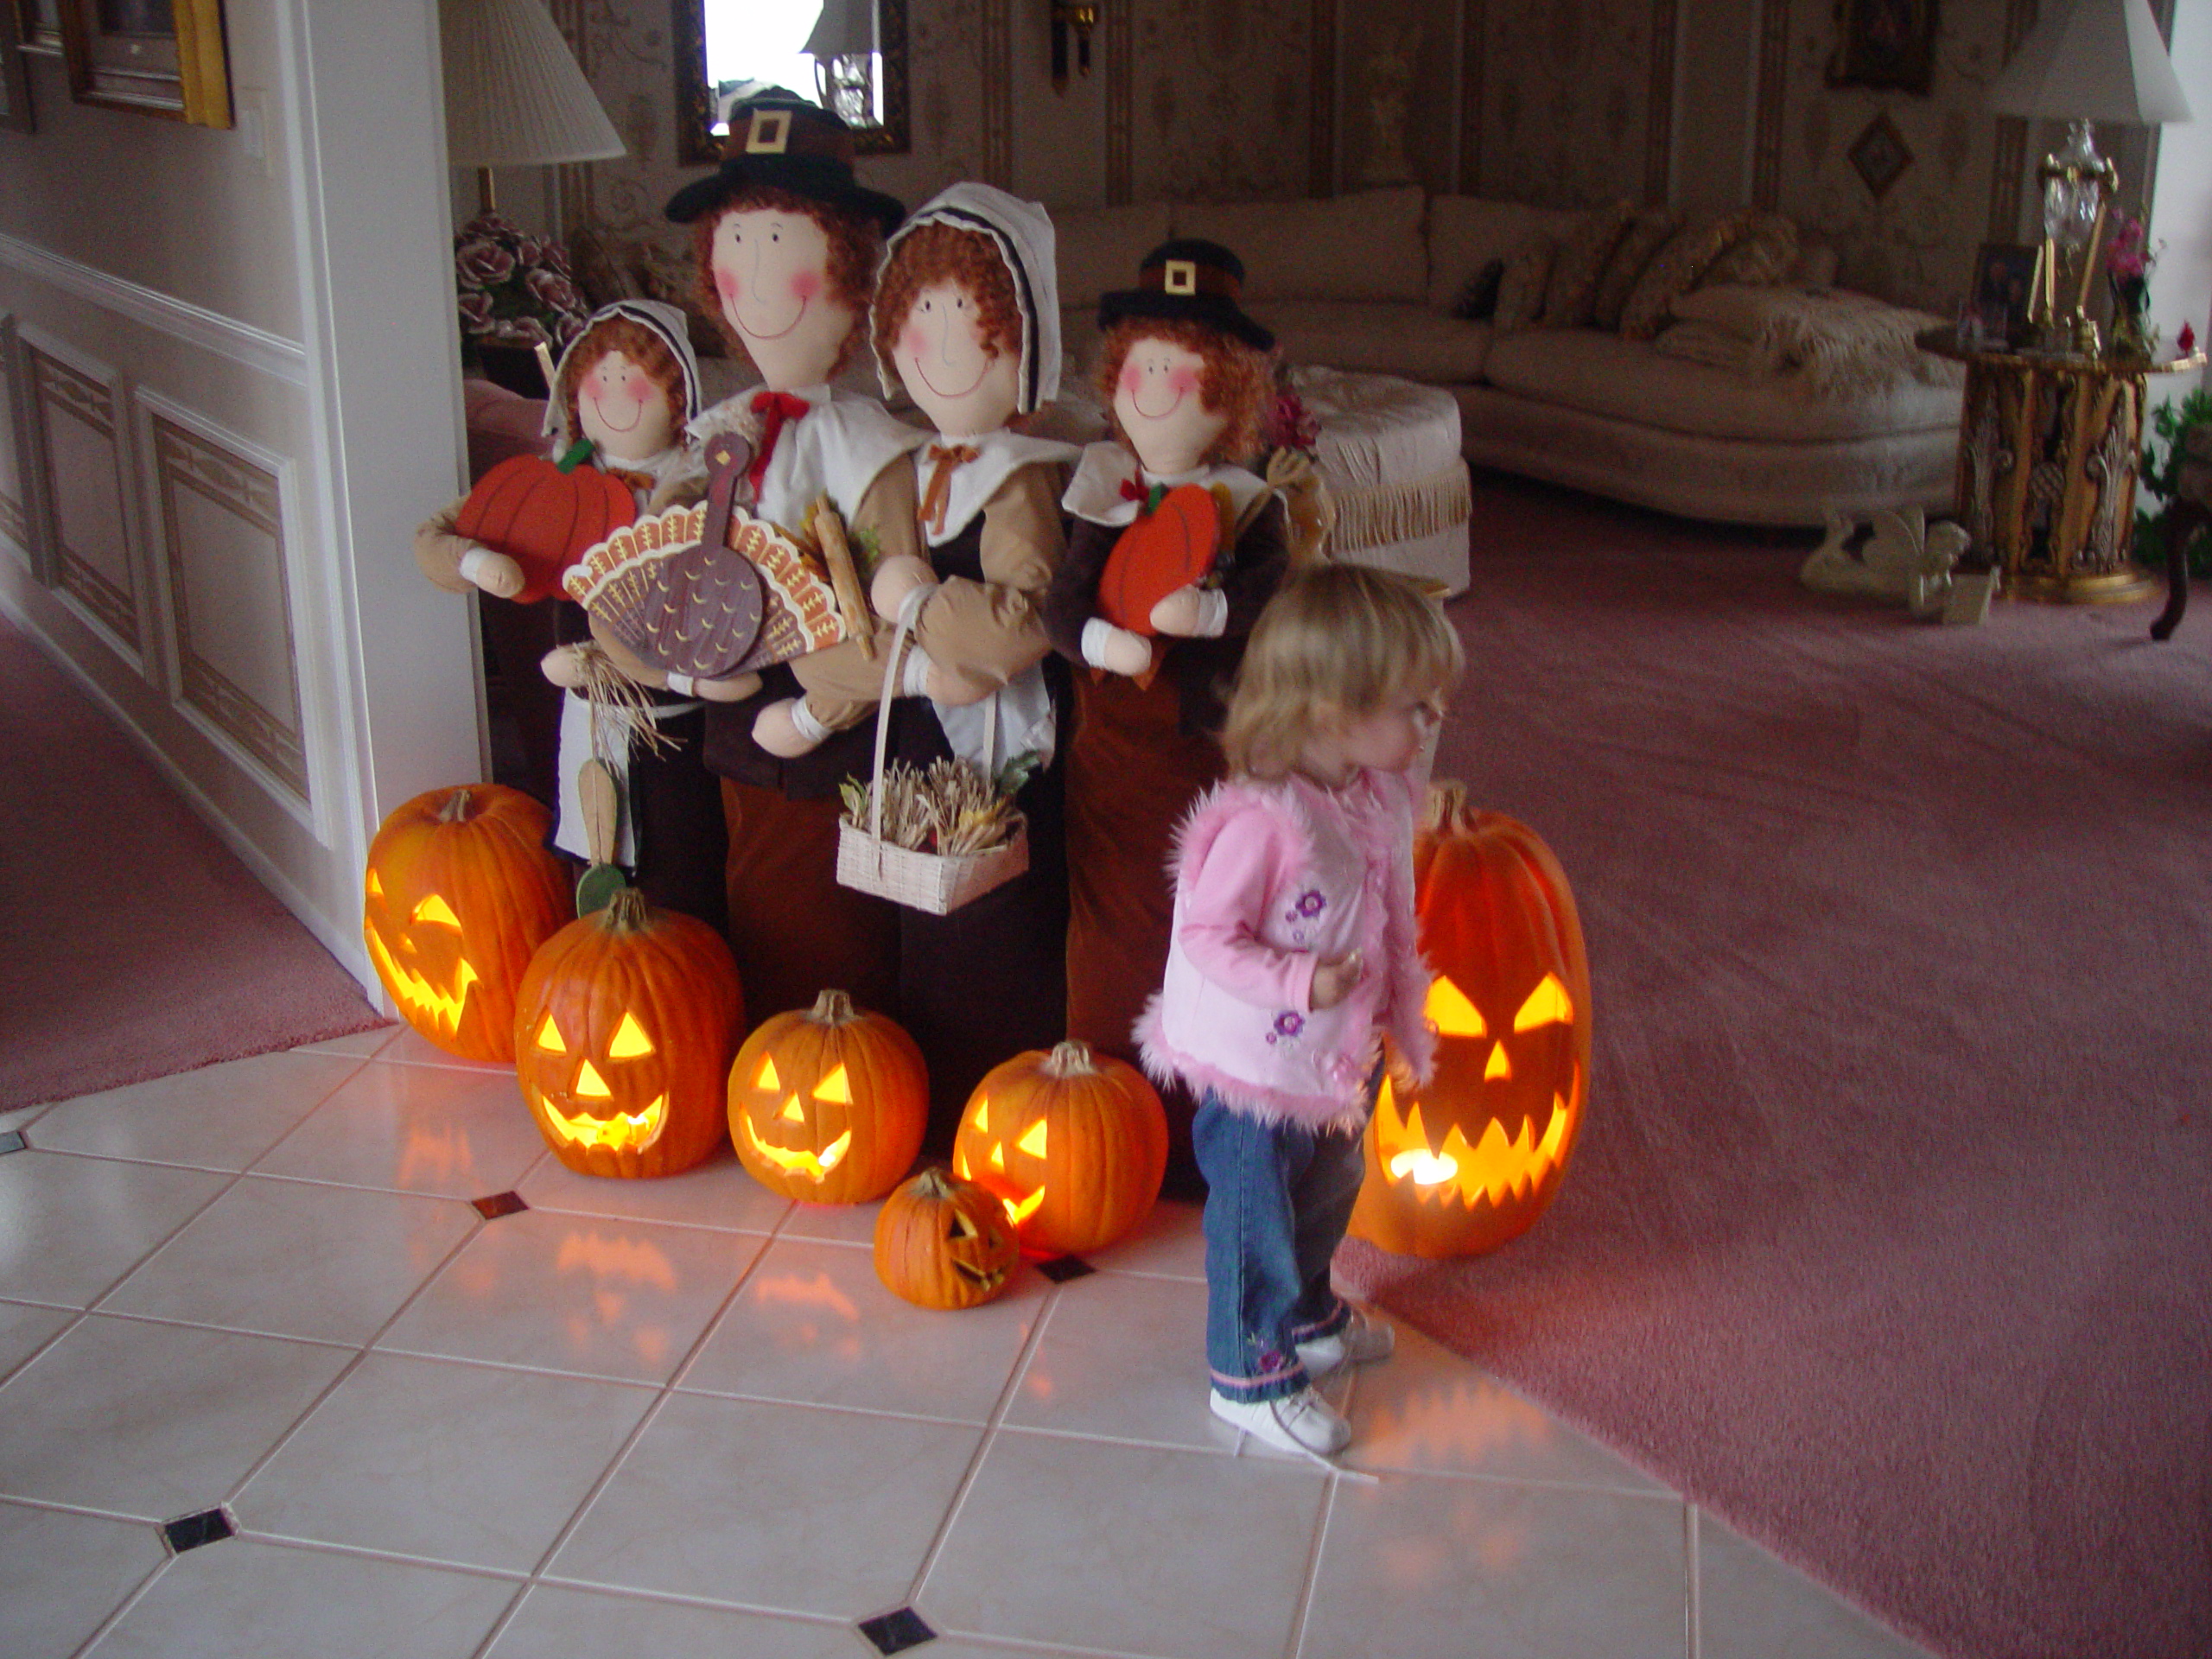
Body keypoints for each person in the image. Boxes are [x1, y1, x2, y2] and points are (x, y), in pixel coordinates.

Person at [1138, 562, 1463, 1458]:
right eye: (1413, 706)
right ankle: (1248, 1372)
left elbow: (1392, 863)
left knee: (1330, 1186)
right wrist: (1293, 982)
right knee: (1256, 1213)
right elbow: (1207, 935)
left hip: (1327, 1055)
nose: (1430, 721)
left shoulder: (1369, 791)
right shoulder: (1265, 820)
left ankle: (1309, 1314)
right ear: (1328, 712)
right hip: (1252, 1061)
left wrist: (1389, 1006)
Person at [1044, 239, 1295, 1193]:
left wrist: (1214, 614)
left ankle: (1202, 1126)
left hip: (1201, 750)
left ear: (1225, 394)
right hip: (1105, 750)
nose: (1155, 390)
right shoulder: (1099, 493)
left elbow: (1275, 603)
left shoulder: (1246, 503)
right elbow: (1064, 604)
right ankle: (1101, 1107)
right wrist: (1100, 643)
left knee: (1204, 924)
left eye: (1180, 372)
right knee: (1108, 922)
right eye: (1141, 367)